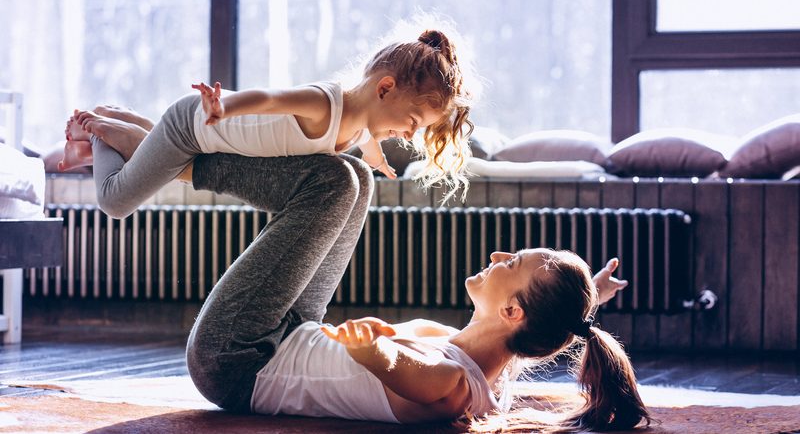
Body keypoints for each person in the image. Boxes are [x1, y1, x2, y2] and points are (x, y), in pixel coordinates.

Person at [63, 109, 645, 430]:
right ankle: (159, 156)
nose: (498, 256)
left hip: (238, 360)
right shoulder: (482, 360)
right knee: (357, 178)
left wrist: (376, 353)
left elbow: (407, 371)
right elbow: (546, 328)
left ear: (513, 311)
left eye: (512, 262)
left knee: (333, 181)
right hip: (289, 335)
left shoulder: (448, 384)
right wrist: (584, 300)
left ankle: (161, 156)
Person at [58, 29, 474, 219]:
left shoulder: (362, 128)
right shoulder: (324, 104)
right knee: (115, 202)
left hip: (206, 137)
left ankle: (119, 118)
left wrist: (378, 160)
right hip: (194, 126)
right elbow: (269, 98)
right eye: (413, 121)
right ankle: (98, 133)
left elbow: (367, 144)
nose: (411, 134)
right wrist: (226, 106)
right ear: (385, 88)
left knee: (162, 161)